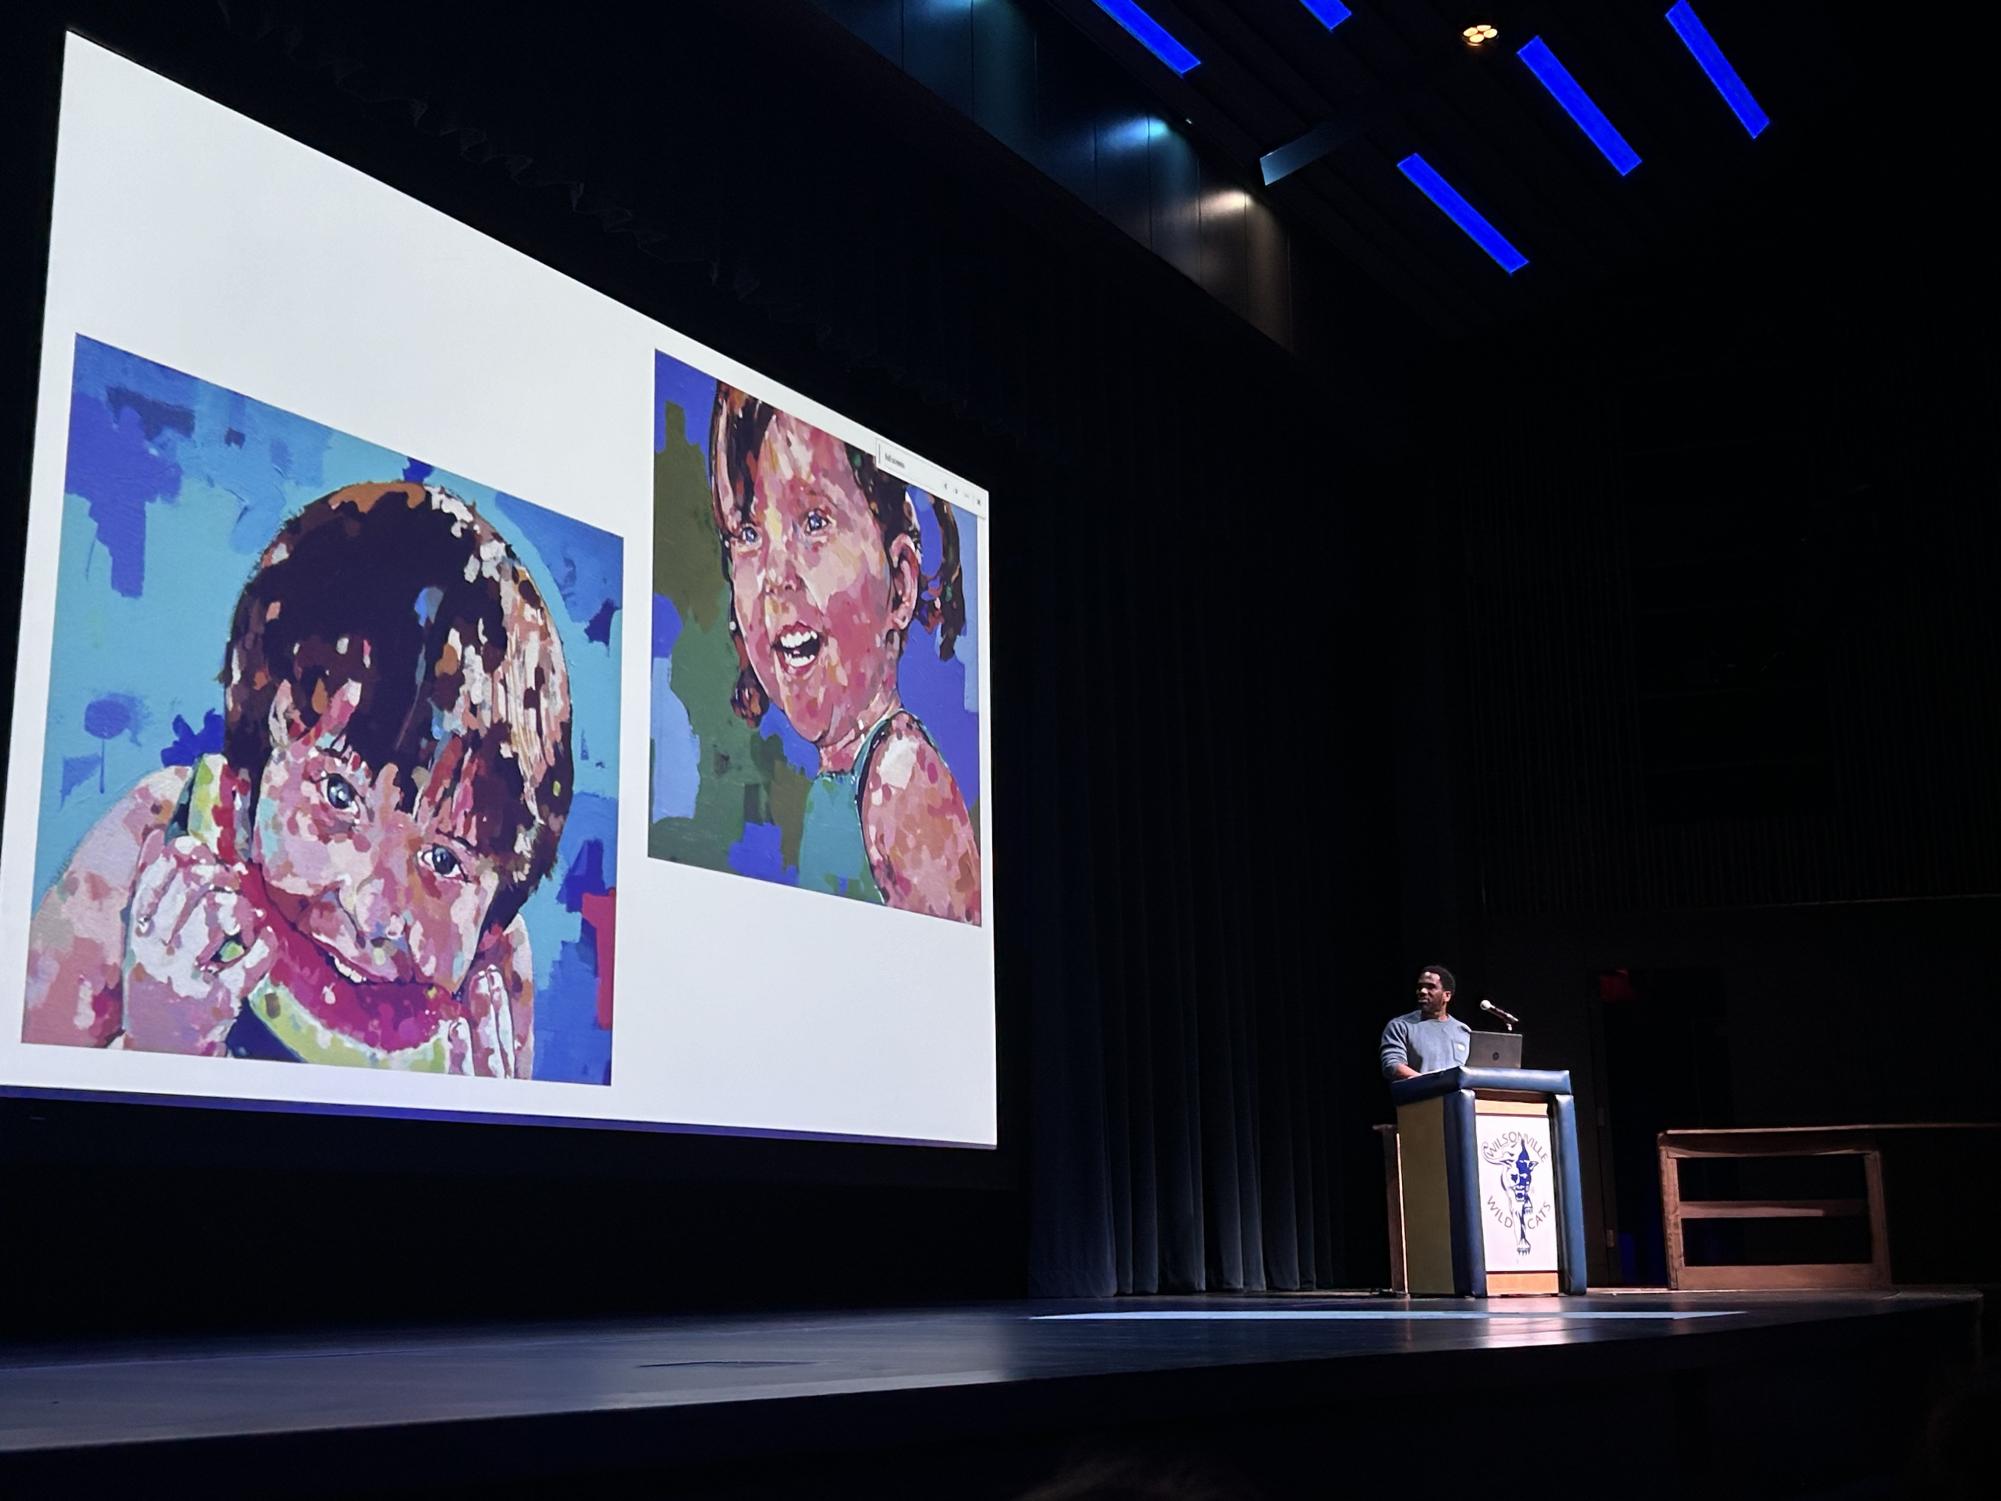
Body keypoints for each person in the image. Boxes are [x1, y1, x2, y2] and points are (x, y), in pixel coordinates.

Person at [22, 482, 572, 1077]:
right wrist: (160, 1049)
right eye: (340, 796)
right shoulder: (152, 840)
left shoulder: (491, 982)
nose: (374, 911)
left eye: (443, 861)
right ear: (267, 740)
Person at [708, 384, 981, 923]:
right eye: (746, 532)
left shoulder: (900, 781)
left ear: (899, 588)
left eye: (814, 523)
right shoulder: (845, 778)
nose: (775, 579)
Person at [1380, 965, 1471, 1081]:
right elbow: (1392, 1066)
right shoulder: (1400, 1026)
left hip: (1459, 1098)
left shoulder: (1463, 1030)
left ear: (1447, 996)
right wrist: (1432, 1083)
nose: (1422, 991)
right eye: (1420, 987)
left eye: (1431, 987)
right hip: (1422, 1097)